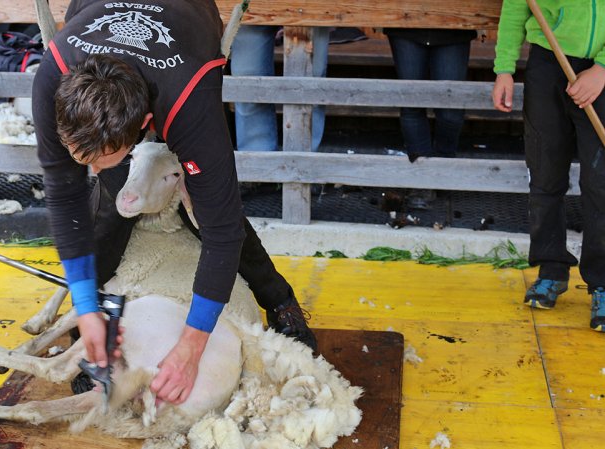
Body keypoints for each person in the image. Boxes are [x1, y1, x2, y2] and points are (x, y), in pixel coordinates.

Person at [32, 0, 317, 406]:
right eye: (81, 157)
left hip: (185, 25)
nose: (88, 170)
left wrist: (191, 346)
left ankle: (280, 301)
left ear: (145, 127)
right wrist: (82, 304)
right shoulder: (52, 77)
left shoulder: (190, 103)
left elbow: (220, 230)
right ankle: (94, 323)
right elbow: (63, 193)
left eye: (97, 159)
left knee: (207, 206)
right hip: (97, 11)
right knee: (114, 199)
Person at [491, 1, 605, 332]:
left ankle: (601, 283)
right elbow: (516, 7)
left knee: (600, 183)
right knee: (545, 175)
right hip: (548, 65)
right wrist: (504, 69)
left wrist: (601, 69)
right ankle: (551, 269)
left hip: (600, 74)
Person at [230, 25, 329, 154]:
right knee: (247, 78)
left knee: (313, 78)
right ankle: (258, 162)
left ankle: (305, 160)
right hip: (254, 7)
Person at [384, 28, 477, 162]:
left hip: (454, 27)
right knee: (412, 104)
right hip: (406, 26)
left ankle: (444, 163)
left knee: (451, 111)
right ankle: (419, 169)